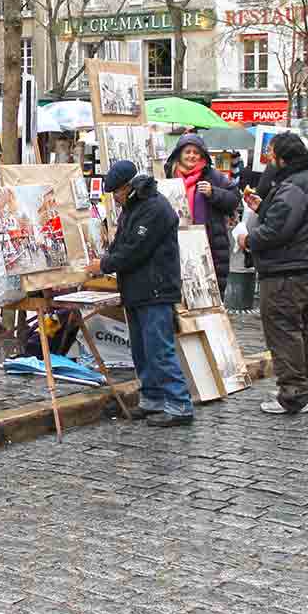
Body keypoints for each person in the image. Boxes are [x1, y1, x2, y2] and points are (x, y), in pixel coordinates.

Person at [86, 160, 192, 427]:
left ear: (129, 187)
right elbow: (124, 242)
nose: (116, 199)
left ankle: (179, 405)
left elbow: (136, 249)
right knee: (142, 350)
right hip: (137, 288)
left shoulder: (154, 207)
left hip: (155, 288)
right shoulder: (134, 207)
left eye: (118, 193)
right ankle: (152, 400)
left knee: (159, 349)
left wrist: (105, 265)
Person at [237, 132, 308, 415]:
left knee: (284, 332)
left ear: (283, 158)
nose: (269, 160)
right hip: (305, 267)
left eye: (272, 154)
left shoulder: (294, 185)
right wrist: (263, 207)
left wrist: (247, 239)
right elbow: (292, 218)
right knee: (298, 330)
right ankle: (300, 388)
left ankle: (292, 395)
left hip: (286, 271)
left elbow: (277, 231)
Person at [163, 132, 240, 290]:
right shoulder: (168, 177)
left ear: (202, 155)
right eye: (187, 152)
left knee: (210, 297)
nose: (191, 156)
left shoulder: (214, 176)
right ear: (179, 154)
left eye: (196, 152)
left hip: (209, 246)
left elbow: (234, 200)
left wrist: (214, 193)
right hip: (176, 246)